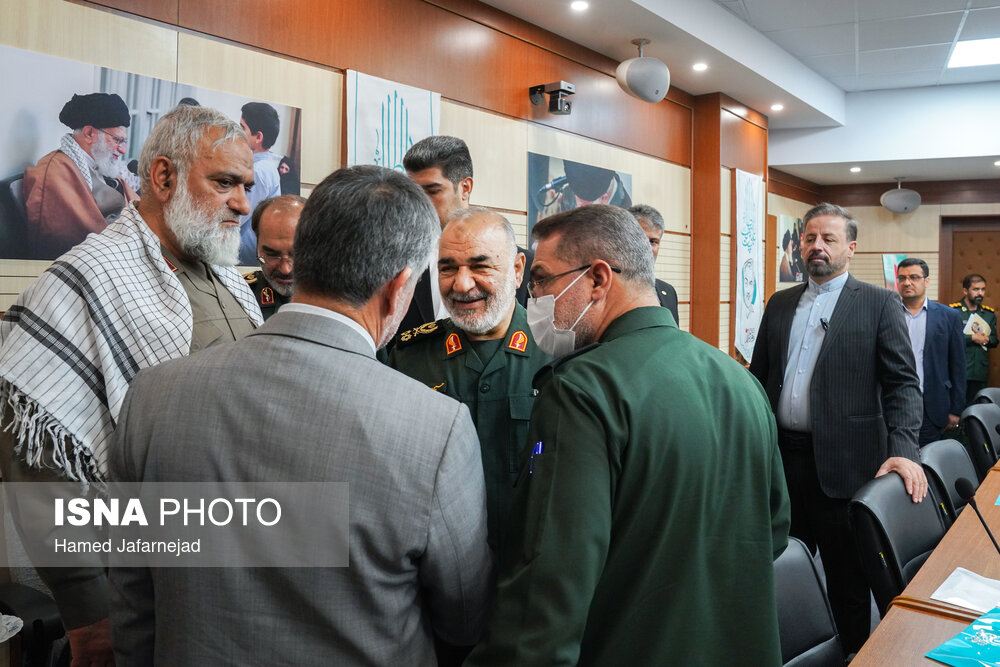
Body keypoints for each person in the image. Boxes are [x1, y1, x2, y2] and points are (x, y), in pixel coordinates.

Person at [108, 165, 492, 666]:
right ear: (400, 287)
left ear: (303, 256)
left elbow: (133, 598)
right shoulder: (436, 429)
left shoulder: (153, 394)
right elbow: (463, 617)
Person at [468, 204, 789, 665]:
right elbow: (772, 531)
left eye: (540, 281)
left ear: (598, 279)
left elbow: (550, 584)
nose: (532, 298)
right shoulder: (739, 380)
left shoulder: (582, 391)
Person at [0, 104, 263, 666]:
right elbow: (35, 460)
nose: (243, 204)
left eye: (245, 186)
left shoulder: (229, 278)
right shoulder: (86, 278)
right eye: (224, 183)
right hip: (141, 582)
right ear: (163, 177)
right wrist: (89, 614)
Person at [749, 202, 925, 655]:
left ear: (851, 247)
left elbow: (903, 384)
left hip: (847, 467)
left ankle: (853, 655)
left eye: (828, 239)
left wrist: (904, 449)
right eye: (810, 238)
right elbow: (758, 378)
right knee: (775, 570)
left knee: (847, 582)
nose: (817, 246)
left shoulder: (879, 302)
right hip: (781, 464)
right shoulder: (780, 303)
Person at [387, 206, 550, 567]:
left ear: (517, 270)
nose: (461, 284)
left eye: (480, 266)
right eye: (448, 268)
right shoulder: (407, 358)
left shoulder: (558, 356)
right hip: (433, 570)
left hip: (530, 570)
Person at [400, 135, 531, 333]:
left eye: (432, 191)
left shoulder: (526, 268)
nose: (419, 204)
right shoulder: (398, 265)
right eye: (413, 193)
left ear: (465, 188)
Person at [22, 92, 139, 259]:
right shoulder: (55, 172)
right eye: (117, 140)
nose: (123, 150)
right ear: (89, 133)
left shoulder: (100, 164)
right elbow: (74, 239)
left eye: (124, 142)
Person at [896, 258, 966, 445]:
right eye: (902, 278)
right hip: (894, 404)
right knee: (895, 456)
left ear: (926, 281)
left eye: (914, 277)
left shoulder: (949, 316)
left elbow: (958, 365)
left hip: (931, 405)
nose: (907, 282)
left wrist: (956, 409)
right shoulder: (887, 313)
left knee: (927, 457)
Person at [243, 194, 305, 320]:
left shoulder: (341, 296)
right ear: (257, 247)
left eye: (297, 254)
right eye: (272, 255)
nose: (285, 269)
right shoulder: (241, 293)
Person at [238, 101, 283, 264]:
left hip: (245, 255)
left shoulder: (259, 171)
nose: (238, 132)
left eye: (242, 128)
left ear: (258, 137)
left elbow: (239, 216)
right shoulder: (262, 167)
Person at [627, 204, 679, 324]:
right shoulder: (605, 289)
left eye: (653, 241)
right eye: (641, 239)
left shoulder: (668, 292)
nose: (647, 248)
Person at [950, 273, 998, 405]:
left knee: (976, 408)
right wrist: (972, 338)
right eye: (976, 289)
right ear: (965, 291)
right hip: (959, 368)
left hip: (979, 371)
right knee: (956, 407)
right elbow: (948, 339)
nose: (980, 293)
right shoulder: (953, 311)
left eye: (983, 289)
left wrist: (987, 339)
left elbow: (995, 340)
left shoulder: (989, 314)